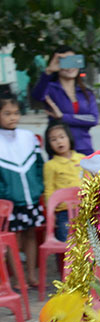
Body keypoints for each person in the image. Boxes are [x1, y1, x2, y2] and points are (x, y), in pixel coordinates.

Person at [0, 90, 44, 287]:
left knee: (30, 235)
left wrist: (38, 187)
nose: (13, 117)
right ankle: (18, 279)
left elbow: (38, 165)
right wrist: (5, 194)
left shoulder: (28, 137)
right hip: (10, 202)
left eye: (16, 113)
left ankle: (31, 275)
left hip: (31, 199)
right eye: (7, 113)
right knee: (13, 240)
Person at [30, 47, 99, 154]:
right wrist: (48, 71)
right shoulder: (50, 89)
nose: (70, 66)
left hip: (84, 148)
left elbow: (93, 119)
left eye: (73, 61)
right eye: (66, 62)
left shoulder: (86, 92)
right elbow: (37, 96)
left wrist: (63, 117)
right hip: (60, 151)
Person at [42, 123, 84, 241]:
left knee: (87, 245)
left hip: (84, 209)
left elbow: (90, 181)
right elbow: (49, 190)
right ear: (49, 144)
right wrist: (51, 213)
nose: (59, 142)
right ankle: (63, 260)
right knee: (68, 245)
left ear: (69, 138)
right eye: (53, 139)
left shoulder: (82, 159)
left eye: (62, 137)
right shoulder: (50, 165)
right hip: (64, 213)